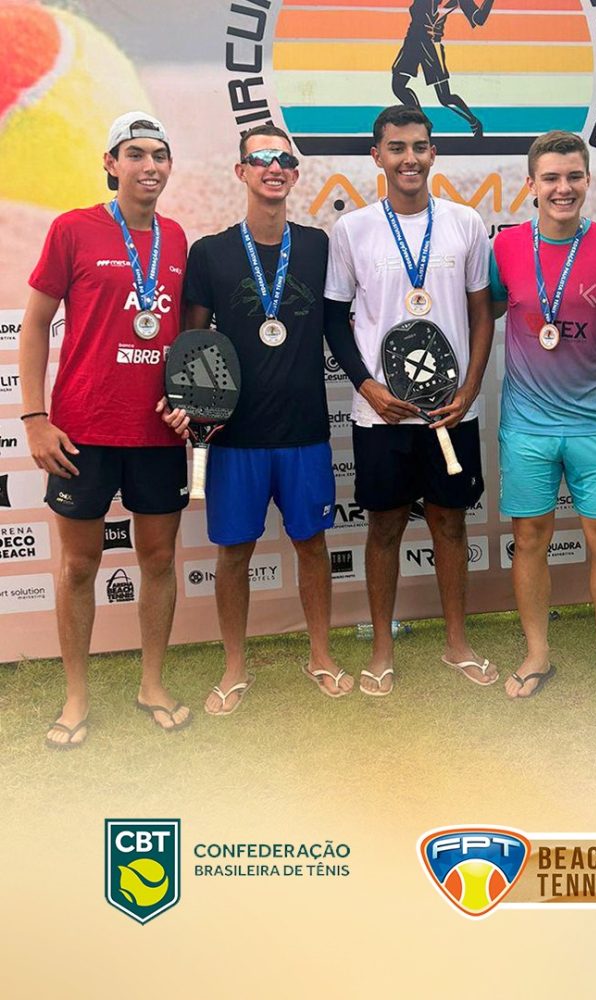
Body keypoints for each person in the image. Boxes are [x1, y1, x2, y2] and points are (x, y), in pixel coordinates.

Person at [19, 112, 190, 748]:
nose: (150, 166)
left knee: (160, 561)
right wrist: (34, 417)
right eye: (136, 154)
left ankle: (152, 684)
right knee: (78, 566)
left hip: (157, 433)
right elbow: (35, 325)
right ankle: (76, 697)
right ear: (111, 164)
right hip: (82, 431)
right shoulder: (73, 229)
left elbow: (186, 338)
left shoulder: (177, 238)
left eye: (160, 155)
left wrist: (189, 401)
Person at [173, 124, 351, 715]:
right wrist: (195, 414)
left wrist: (370, 384)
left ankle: (320, 654)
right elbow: (193, 344)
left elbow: (338, 325)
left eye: (284, 159)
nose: (274, 167)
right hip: (234, 436)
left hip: (304, 432)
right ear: (242, 171)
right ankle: (234, 666)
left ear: (295, 174)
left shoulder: (319, 246)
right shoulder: (211, 253)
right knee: (233, 554)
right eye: (262, 158)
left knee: (312, 545)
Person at [325, 105, 495, 696]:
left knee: (450, 523)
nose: (409, 158)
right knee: (384, 528)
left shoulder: (465, 223)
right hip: (382, 414)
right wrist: (367, 386)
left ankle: (457, 644)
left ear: (433, 153)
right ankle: (381, 648)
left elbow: (481, 313)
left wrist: (470, 388)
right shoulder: (352, 230)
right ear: (377, 156)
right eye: (396, 148)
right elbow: (334, 320)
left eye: (419, 146)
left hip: (451, 409)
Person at [491, 130, 596, 698]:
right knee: (530, 538)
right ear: (531, 185)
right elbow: (486, 312)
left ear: (588, 180)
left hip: (595, 421)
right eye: (551, 178)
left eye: (574, 177)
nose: (563, 188)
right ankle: (537, 653)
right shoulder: (505, 247)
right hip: (527, 424)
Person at [391, 1, 495, 137]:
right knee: (398, 86)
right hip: (413, 41)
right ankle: (421, 122)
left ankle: (474, 122)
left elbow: (479, 19)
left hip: (431, 45)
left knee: (444, 97)